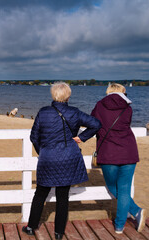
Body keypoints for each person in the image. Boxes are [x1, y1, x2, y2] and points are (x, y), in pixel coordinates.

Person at [22, 82, 101, 239]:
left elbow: (34, 136)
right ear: (68, 95)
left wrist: (42, 151)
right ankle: (58, 233)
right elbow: (96, 124)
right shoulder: (74, 112)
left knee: (40, 193)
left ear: (53, 95)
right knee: (63, 196)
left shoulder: (43, 112)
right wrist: (80, 138)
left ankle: (31, 227)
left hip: (48, 158)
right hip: (68, 158)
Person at [91, 83, 146, 234]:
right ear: (122, 92)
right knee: (124, 188)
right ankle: (119, 227)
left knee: (113, 187)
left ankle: (136, 211)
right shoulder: (128, 107)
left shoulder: (99, 106)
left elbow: (93, 122)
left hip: (108, 152)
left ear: (108, 91)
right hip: (128, 151)